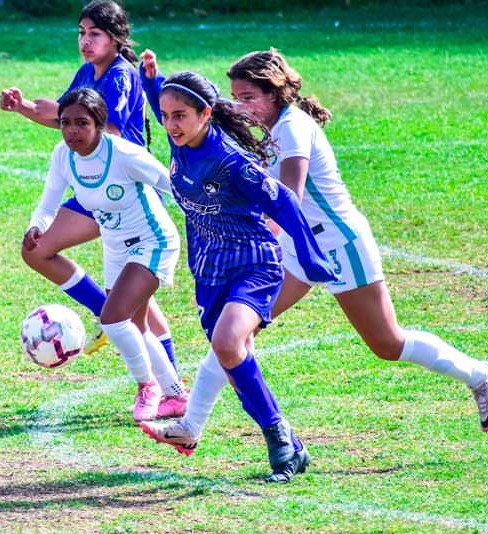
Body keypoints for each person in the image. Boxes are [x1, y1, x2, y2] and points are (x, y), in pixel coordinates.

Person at [227, 48, 488, 433]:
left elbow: (288, 197)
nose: (240, 108)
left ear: (274, 93)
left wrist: (254, 240)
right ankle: (252, 428)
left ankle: (481, 374)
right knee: (238, 329)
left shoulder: (291, 127)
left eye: (247, 98)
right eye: (235, 98)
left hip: (339, 246)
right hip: (301, 246)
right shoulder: (271, 128)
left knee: (387, 344)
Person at [136, 59, 339, 483]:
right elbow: (161, 104)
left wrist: (309, 252)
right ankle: (290, 446)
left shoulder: (231, 161)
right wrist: (150, 80)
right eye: (168, 116)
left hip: (254, 263)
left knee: (229, 342)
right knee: (231, 353)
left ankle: (279, 440)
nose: (171, 125)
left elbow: (283, 200)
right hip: (209, 272)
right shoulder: (181, 141)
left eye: (181, 116)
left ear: (205, 115)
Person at [0, 0, 180, 378]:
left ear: (115, 38)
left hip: (126, 191)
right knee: (37, 249)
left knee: (136, 309)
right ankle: (108, 312)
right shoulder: (88, 71)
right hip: (93, 185)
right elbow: (66, 116)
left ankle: (164, 382)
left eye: (94, 33)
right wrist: (24, 106)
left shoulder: (120, 76)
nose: (85, 40)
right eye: (81, 32)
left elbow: (100, 130)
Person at [24, 88, 187, 421]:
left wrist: (215, 212)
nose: (72, 131)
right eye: (65, 123)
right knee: (136, 327)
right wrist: (36, 226)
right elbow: (48, 203)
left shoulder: (124, 153)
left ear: (99, 124)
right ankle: (177, 395)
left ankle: (148, 387)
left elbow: (172, 184)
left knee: (114, 320)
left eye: (81, 123)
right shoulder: (63, 155)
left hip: (153, 241)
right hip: (115, 248)